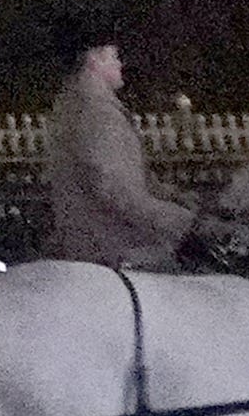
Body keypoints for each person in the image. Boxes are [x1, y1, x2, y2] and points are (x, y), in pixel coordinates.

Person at [39, 22, 192, 269]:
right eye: (114, 56)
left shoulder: (80, 106)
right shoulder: (95, 113)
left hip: (99, 239)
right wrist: (183, 221)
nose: (120, 64)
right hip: (114, 246)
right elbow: (114, 190)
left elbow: (130, 178)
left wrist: (176, 196)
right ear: (94, 59)